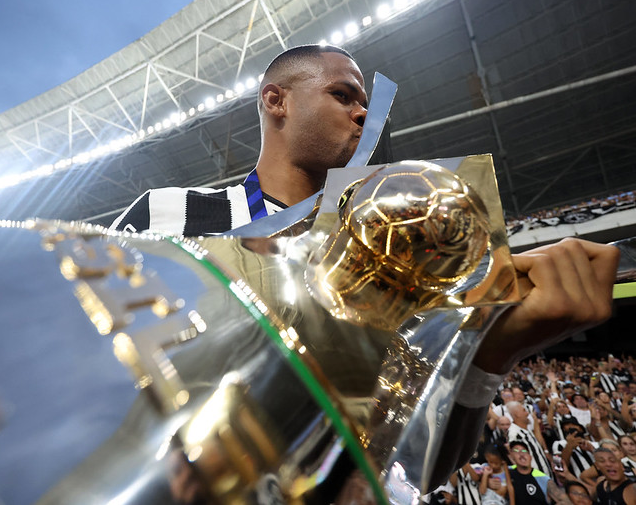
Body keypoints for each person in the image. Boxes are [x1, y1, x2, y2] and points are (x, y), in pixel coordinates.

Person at [112, 44, 620, 484]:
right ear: (276, 100)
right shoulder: (168, 213)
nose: (363, 113)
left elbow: (407, 467)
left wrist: (490, 357)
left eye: (366, 103)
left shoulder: (398, 256)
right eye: (343, 95)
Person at [507, 440, 564, 505]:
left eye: (524, 451)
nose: (521, 454)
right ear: (511, 456)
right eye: (516, 451)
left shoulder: (542, 478)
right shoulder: (507, 471)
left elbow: (563, 500)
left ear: (530, 457)